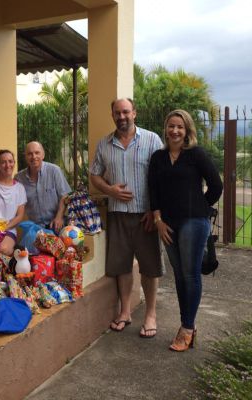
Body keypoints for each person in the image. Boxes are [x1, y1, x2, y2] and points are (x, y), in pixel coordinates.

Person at [148, 109, 223, 351]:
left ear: (187, 130)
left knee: (190, 274)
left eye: (180, 127)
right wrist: (158, 220)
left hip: (193, 222)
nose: (175, 131)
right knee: (179, 275)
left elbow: (216, 185)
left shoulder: (196, 155)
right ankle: (186, 324)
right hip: (167, 224)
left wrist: (200, 206)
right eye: (171, 126)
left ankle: (187, 329)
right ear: (166, 129)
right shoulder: (158, 158)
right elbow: (154, 191)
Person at [90, 98, 163, 338]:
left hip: (146, 216)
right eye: (117, 113)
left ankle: (150, 315)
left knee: (150, 268)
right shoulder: (104, 144)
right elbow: (94, 175)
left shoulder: (152, 140)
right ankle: (125, 312)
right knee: (121, 266)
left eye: (126, 112)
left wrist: (155, 211)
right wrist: (109, 190)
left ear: (135, 113)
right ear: (112, 115)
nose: (122, 117)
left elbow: (163, 177)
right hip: (118, 215)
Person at [15, 141, 71, 233]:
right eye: (29, 154)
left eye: (37, 153)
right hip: (35, 228)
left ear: (43, 155)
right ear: (25, 157)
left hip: (56, 224)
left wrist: (59, 217)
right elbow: (9, 193)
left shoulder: (54, 171)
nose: (34, 157)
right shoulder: (19, 178)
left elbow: (65, 196)